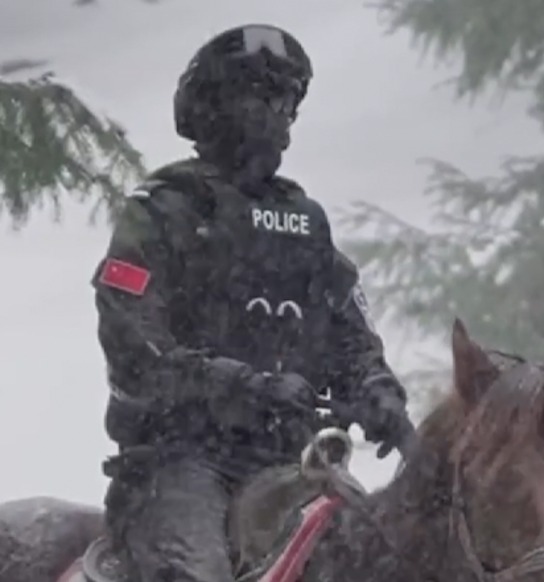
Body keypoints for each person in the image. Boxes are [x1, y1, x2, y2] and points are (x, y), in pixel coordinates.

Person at [90, 23, 414, 582]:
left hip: (295, 465)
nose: (278, 112)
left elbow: (353, 340)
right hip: (176, 465)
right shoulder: (162, 212)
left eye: (287, 99)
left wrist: (380, 394)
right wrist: (246, 387)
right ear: (212, 105)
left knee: (392, 559)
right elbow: (132, 347)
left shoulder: (308, 227)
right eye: (261, 94)